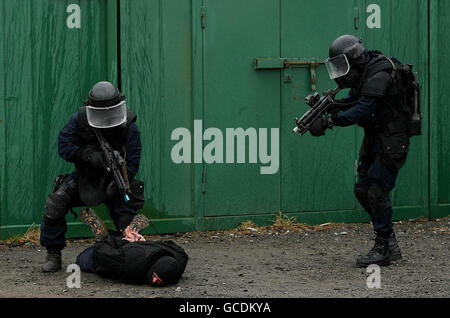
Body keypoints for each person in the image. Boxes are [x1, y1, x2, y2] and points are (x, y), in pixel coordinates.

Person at [309, 35, 413, 267]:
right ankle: (389, 241)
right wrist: (327, 106)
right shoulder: (366, 72)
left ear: (354, 56)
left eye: (342, 63)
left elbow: (363, 109)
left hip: (392, 139)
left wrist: (329, 121)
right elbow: (353, 101)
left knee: (376, 191)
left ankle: (383, 247)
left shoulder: (381, 72)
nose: (341, 71)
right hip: (376, 136)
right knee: (362, 189)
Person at [40, 81, 143, 272]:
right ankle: (53, 253)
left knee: (128, 223)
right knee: (55, 202)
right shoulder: (80, 119)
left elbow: (133, 161)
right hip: (85, 177)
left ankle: (126, 253)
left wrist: (120, 180)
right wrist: (86, 155)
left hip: (116, 180)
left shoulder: (129, 126)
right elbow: (64, 146)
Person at [76, 208, 188, 286]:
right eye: (155, 276)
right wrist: (123, 242)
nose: (153, 280)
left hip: (141, 248)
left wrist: (144, 242)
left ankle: (127, 237)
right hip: (124, 254)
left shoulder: (179, 259)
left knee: (115, 242)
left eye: (159, 280)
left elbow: (175, 247)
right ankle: (109, 238)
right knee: (82, 259)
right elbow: (100, 251)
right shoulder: (130, 265)